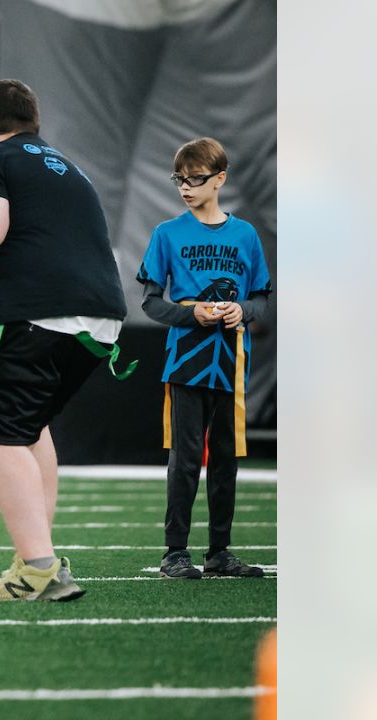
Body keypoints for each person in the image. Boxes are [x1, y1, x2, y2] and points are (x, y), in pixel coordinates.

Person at [0, 79, 132, 602]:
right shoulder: (69, 169)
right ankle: (36, 558)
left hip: (36, 315)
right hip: (101, 321)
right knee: (29, 427)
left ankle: (38, 566)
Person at [137, 137, 272, 579]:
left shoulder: (245, 235)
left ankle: (220, 552)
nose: (185, 187)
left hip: (231, 360)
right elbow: (151, 303)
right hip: (186, 359)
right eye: (179, 179)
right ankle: (175, 552)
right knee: (186, 456)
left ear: (220, 179)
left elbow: (261, 300)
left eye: (194, 179)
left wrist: (243, 311)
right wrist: (190, 312)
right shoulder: (167, 233)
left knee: (227, 457)